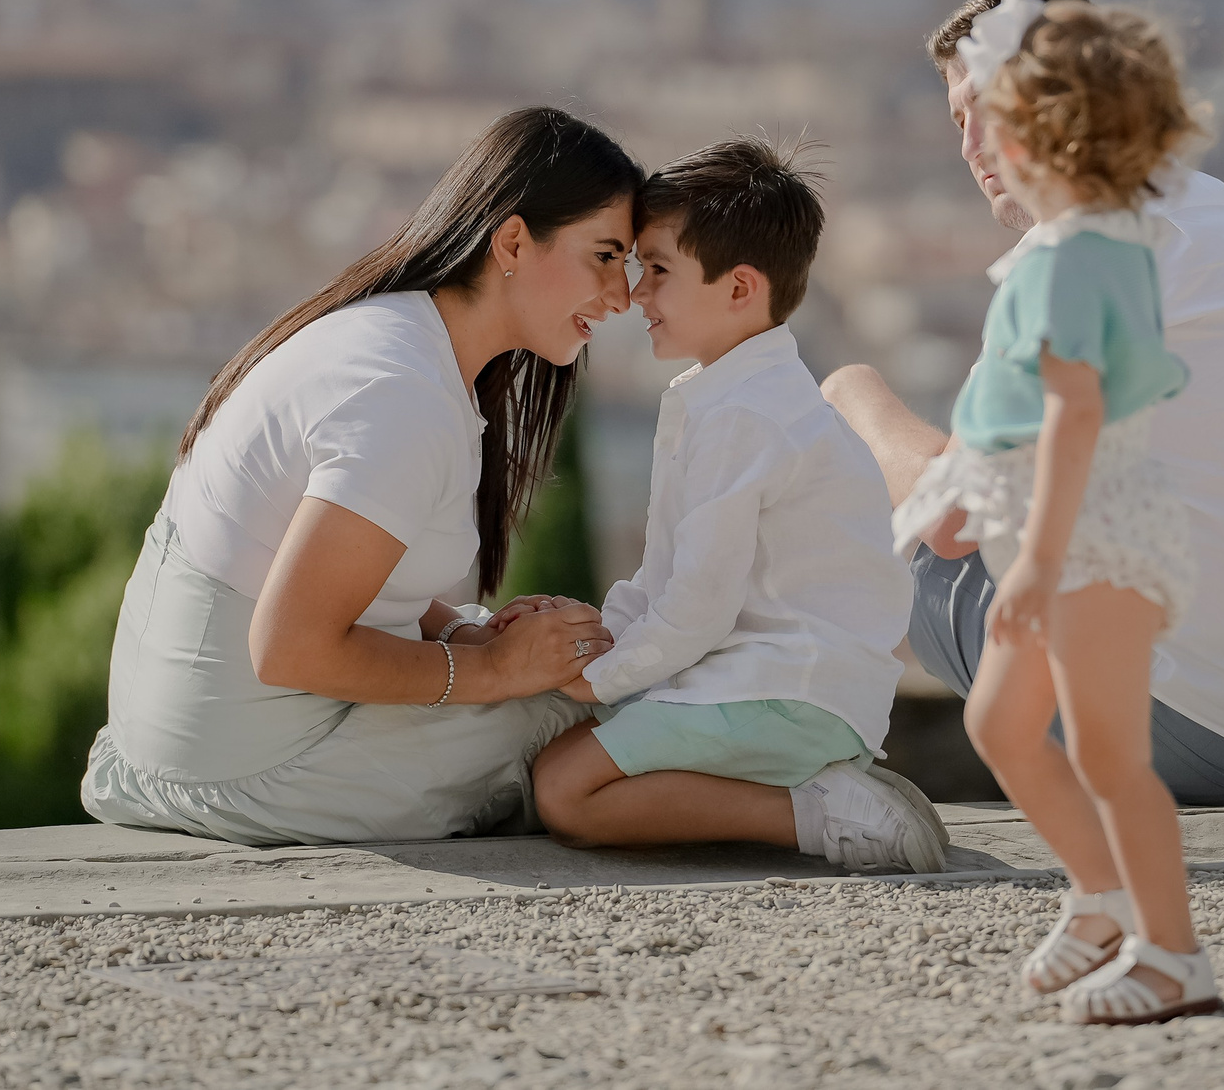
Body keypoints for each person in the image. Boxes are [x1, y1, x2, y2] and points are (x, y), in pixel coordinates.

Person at [825, 0, 1224, 810]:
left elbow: (950, 529)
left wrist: (855, 400)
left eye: (992, 103)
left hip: (1201, 735)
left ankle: (771, 759)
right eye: (959, 117)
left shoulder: (1069, 251)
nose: (972, 144)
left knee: (900, 515)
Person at [80, 107, 638, 846]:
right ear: (512, 241)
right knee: (608, 699)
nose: (623, 295)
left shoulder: (400, 340)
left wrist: (467, 635)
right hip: (243, 772)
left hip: (184, 742)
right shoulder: (403, 393)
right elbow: (289, 645)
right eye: (605, 256)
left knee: (576, 663)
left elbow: (335, 573)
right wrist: (497, 670)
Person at [890, 0, 1214, 1023]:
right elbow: (1029, 415)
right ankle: (1101, 897)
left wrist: (1031, 558)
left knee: (1113, 756)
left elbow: (1071, 411)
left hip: (1088, 539)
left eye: (996, 120)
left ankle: (1172, 953)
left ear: (1040, 138)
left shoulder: (1072, 259)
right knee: (1002, 721)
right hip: (1074, 530)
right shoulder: (1100, 242)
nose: (981, 140)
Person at [529, 139, 949, 873]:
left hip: (787, 692)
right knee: (560, 748)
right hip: (765, 681)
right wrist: (598, 649)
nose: (635, 294)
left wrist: (600, 678)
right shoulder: (725, 395)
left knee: (565, 792)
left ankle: (821, 814)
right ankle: (821, 793)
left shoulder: (745, 415)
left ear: (739, 287)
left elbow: (697, 602)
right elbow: (666, 576)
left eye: (657, 270)